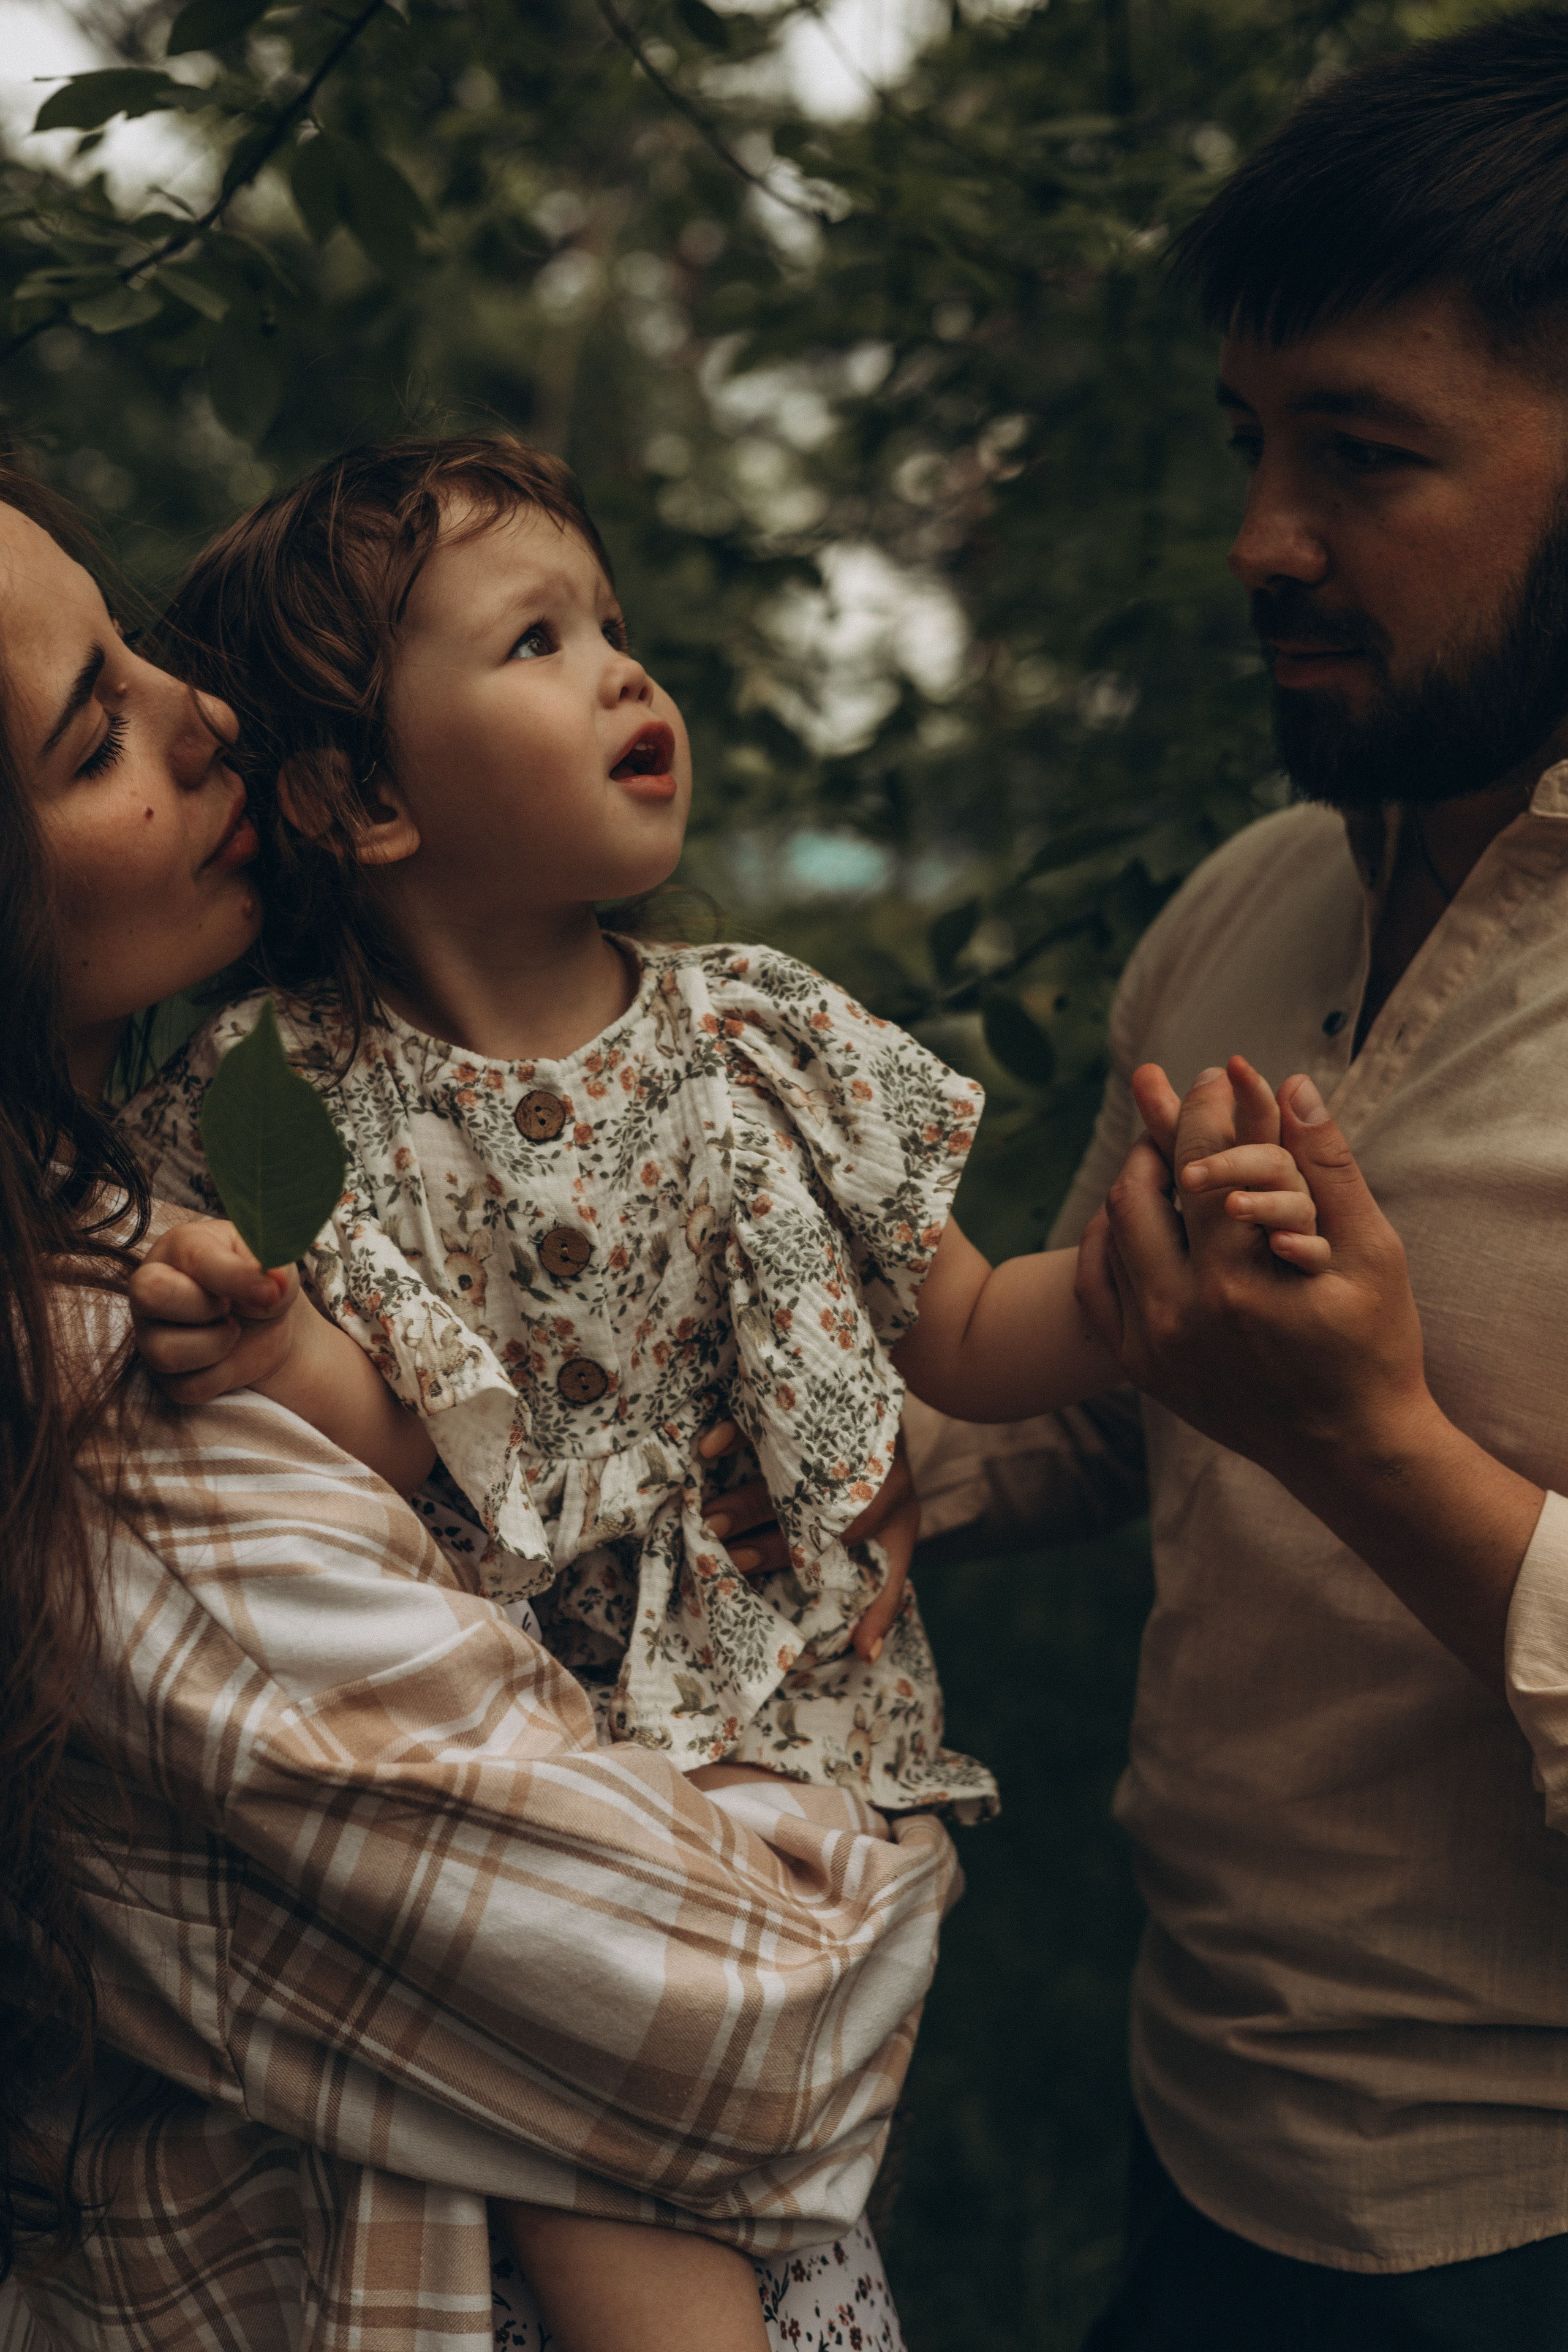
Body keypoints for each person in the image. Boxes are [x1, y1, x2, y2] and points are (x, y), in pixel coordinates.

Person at [0, 469, 959, 2352]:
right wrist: (874, 1845)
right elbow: (758, 2021)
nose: (206, 714)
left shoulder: (173, 1178)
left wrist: (834, 1441)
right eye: (95, 728)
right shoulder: (109, 1392)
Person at [909, 13, 1568, 2345]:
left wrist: (1367, 1438)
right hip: (1193, 2158)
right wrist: (697, 1450)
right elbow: (1090, 1409)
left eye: (1364, 457)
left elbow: (1297, 1428)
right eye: (1250, 442)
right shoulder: (1255, 898)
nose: (1259, 539)